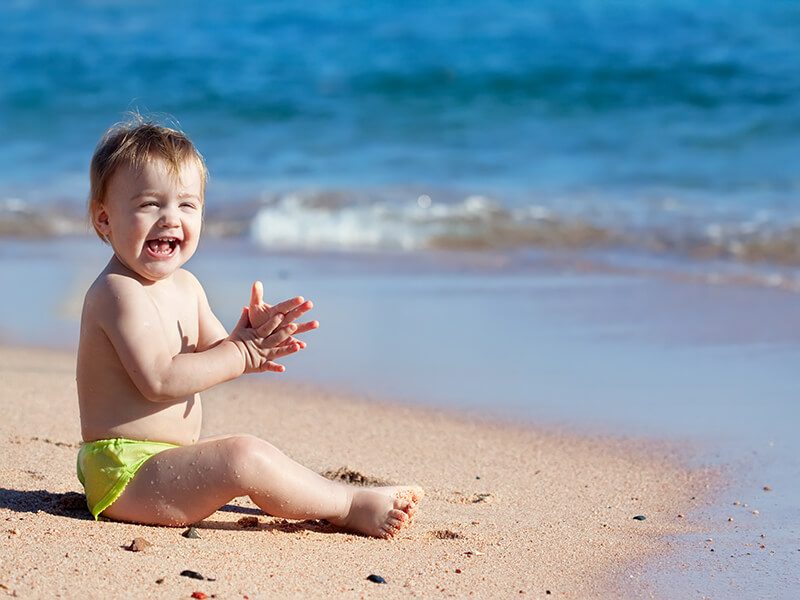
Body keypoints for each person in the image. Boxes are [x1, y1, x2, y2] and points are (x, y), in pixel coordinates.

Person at [75, 118, 422, 538]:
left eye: (186, 205)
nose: (170, 218)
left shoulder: (186, 286)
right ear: (104, 219)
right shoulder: (118, 292)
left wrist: (251, 343)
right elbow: (159, 379)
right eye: (150, 204)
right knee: (244, 455)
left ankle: (332, 495)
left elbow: (216, 351)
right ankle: (346, 505)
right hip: (125, 473)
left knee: (250, 455)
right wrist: (239, 355)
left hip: (163, 464)